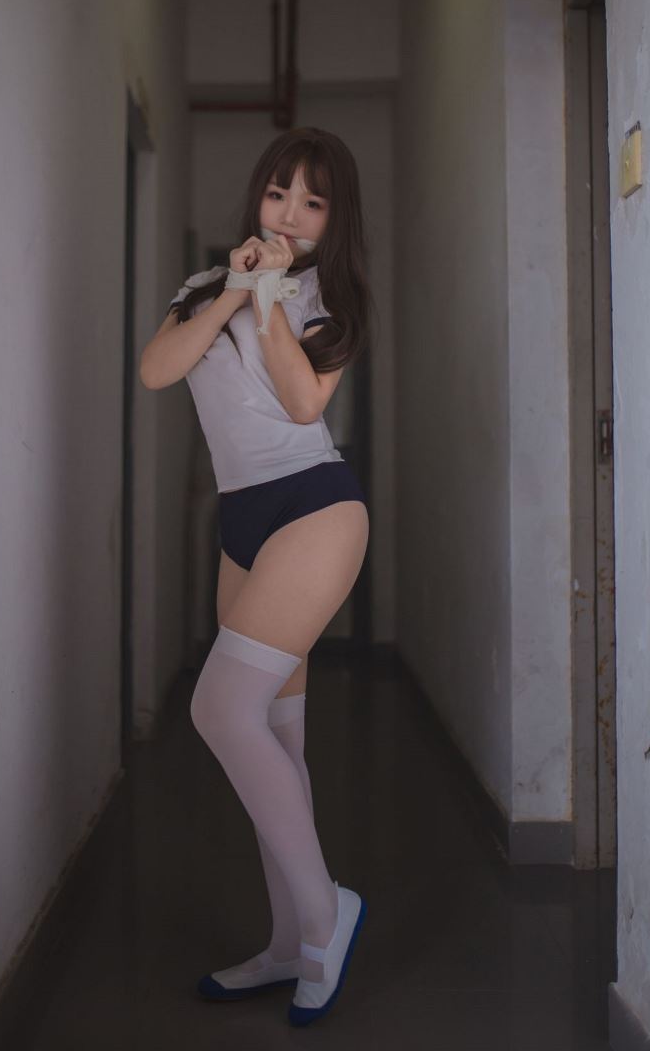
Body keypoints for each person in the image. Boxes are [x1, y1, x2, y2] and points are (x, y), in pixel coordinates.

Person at [139, 126, 373, 1027]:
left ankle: (325, 913)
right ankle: (287, 946)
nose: (290, 214)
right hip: (242, 523)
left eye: (313, 202)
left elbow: (305, 403)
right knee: (277, 738)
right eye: (280, 193)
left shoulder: (329, 298)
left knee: (219, 709)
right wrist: (235, 288)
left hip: (314, 508)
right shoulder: (206, 288)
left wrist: (270, 296)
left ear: (334, 220)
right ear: (257, 197)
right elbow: (158, 371)